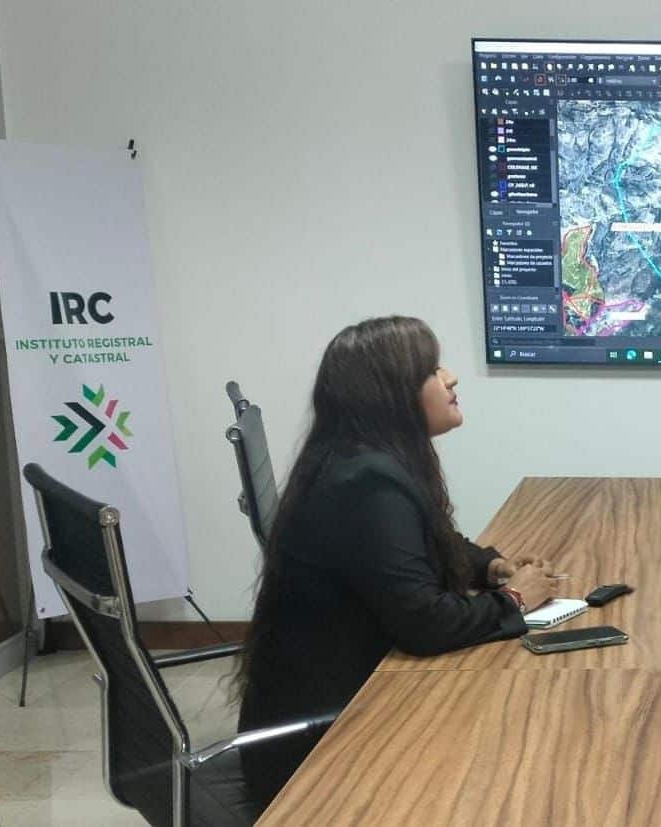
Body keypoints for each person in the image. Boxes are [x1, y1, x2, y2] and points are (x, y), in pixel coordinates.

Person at [233, 316, 555, 808]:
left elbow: (427, 539)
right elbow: (426, 624)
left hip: (341, 709)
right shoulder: (366, 483)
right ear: (391, 395)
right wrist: (515, 598)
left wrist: (491, 567)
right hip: (323, 754)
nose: (451, 378)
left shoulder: (361, 460)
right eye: (432, 370)